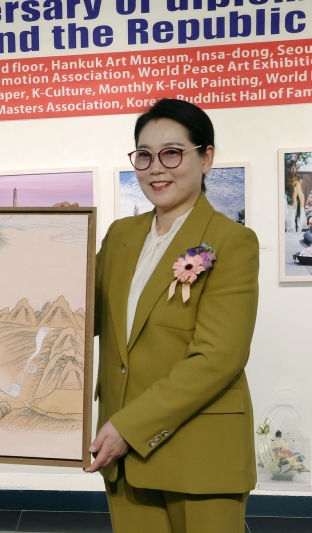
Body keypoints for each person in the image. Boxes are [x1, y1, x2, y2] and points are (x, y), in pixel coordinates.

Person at [88, 99, 259, 532]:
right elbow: (82, 318)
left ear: (207, 158)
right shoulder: (120, 235)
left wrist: (127, 427)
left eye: (172, 152)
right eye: (144, 155)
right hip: (124, 458)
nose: (155, 168)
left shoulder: (232, 240)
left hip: (199, 455)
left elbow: (218, 358)